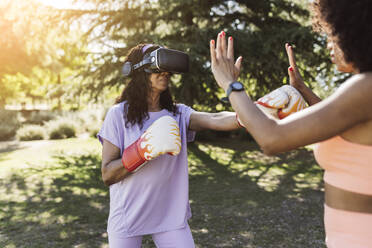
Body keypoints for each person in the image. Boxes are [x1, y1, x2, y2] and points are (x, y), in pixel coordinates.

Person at [209, 0, 372, 247]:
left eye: (332, 34)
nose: (329, 43)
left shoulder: (366, 89)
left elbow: (272, 139)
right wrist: (301, 88)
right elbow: (340, 126)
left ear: (356, 31)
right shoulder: (362, 94)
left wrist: (231, 84)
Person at [97, 43, 250, 248]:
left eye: (167, 68)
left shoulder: (178, 113)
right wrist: (142, 151)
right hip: (127, 216)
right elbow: (107, 174)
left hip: (170, 216)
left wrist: (262, 110)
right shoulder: (118, 115)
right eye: (157, 67)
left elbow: (216, 118)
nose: (165, 73)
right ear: (138, 72)